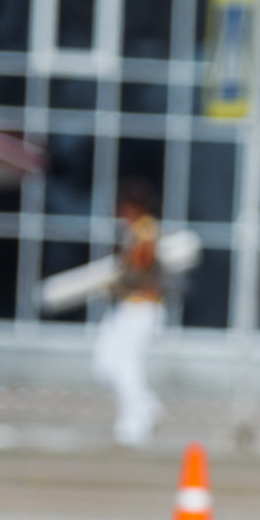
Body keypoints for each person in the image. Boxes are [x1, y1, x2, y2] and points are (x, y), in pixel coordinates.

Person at [93, 179, 166, 448]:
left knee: (127, 367)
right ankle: (148, 407)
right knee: (108, 363)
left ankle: (135, 424)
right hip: (128, 307)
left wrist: (117, 281)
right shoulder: (137, 232)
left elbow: (139, 270)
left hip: (140, 307)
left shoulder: (146, 232)